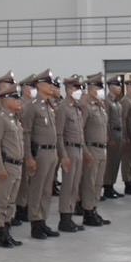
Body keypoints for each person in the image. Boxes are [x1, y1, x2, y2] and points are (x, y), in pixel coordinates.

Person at [20, 69, 64, 240]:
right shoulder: (32, 107)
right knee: (36, 189)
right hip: (39, 154)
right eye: (48, 84)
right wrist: (29, 157)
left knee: (47, 190)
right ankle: (35, 223)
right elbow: (26, 133)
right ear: (39, 85)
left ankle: (43, 220)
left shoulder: (49, 105)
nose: (52, 87)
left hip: (51, 153)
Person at [0, 75, 25, 249]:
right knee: (1, 200)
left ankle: (7, 230)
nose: (19, 101)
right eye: (15, 98)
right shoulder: (0, 119)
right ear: (6, 100)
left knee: (11, 201)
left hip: (17, 165)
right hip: (6, 166)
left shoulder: (14, 119)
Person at [55, 74, 87, 233]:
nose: (80, 91)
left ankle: (70, 213)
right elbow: (59, 134)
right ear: (69, 90)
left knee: (75, 185)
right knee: (67, 185)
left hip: (79, 149)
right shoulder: (63, 108)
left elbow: (81, 132)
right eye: (77, 88)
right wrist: (63, 155)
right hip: (69, 150)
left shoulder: (76, 108)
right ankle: (64, 218)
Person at [79, 72, 110, 226]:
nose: (102, 90)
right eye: (99, 87)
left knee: (98, 182)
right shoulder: (86, 107)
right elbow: (80, 130)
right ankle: (87, 212)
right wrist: (85, 151)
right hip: (91, 148)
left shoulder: (101, 106)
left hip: (102, 148)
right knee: (89, 183)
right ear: (92, 89)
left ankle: (94, 209)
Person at [102, 74, 125, 200]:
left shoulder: (118, 102)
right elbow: (106, 120)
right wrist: (108, 136)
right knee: (110, 162)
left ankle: (111, 184)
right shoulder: (107, 102)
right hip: (112, 133)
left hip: (119, 134)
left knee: (116, 162)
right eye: (117, 85)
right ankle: (107, 186)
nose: (119, 87)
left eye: (120, 85)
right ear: (110, 87)